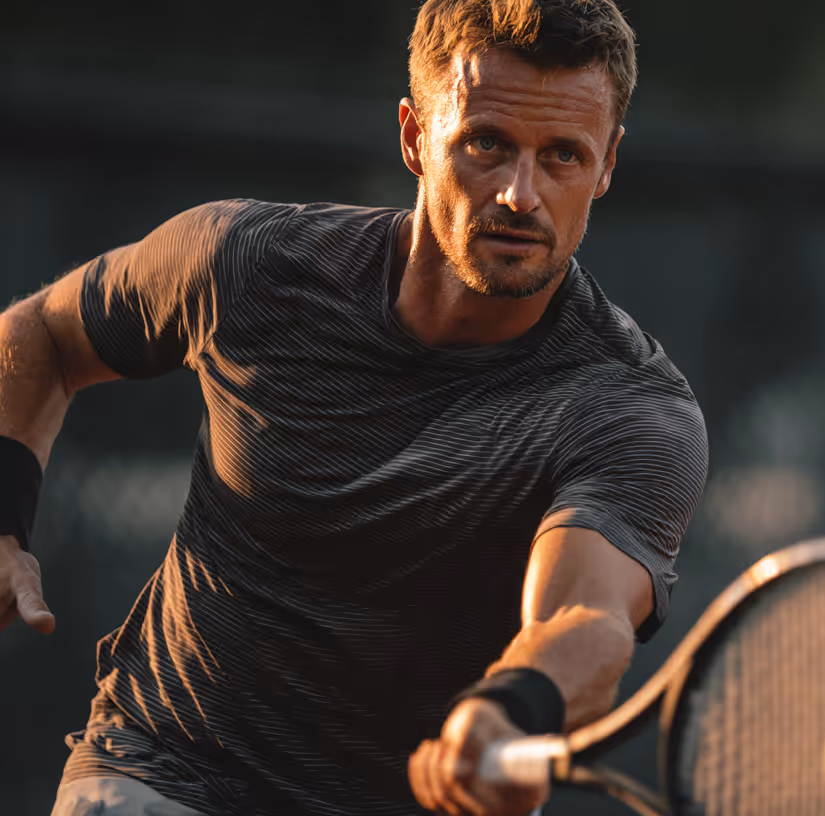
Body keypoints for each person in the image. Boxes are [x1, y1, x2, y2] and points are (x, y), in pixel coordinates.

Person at [0, 1, 708, 813]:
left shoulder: (633, 409)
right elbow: (39, 335)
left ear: (607, 163)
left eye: (562, 157)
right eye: (487, 144)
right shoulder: (250, 263)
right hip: (164, 768)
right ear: (414, 136)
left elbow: (585, 613)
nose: (522, 194)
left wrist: (510, 708)